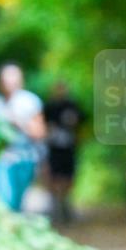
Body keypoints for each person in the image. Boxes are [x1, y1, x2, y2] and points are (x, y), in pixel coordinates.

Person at [0, 63, 46, 211]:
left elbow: (40, 132)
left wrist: (20, 123)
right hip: (0, 156)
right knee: (4, 197)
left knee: (18, 200)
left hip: (25, 157)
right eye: (5, 81)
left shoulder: (30, 101)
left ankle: (13, 220)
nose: (9, 85)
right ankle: (5, 220)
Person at [43, 81, 84, 224]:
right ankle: (55, 206)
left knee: (68, 177)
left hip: (69, 148)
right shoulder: (49, 106)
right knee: (53, 176)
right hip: (53, 147)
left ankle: (65, 205)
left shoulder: (72, 105)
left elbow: (81, 123)